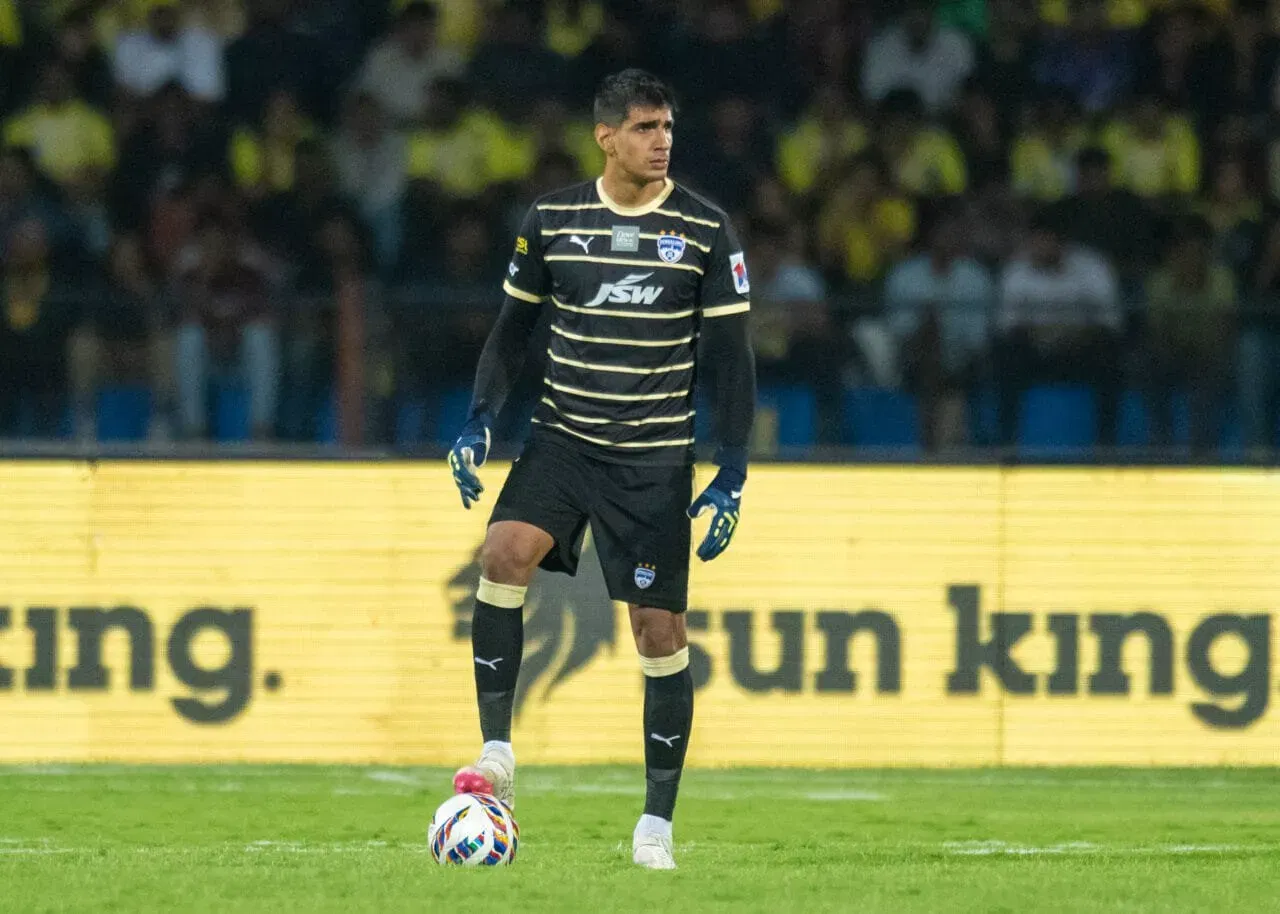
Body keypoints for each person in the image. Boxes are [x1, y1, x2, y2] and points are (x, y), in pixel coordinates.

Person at [447, 70, 755, 871]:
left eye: (668, 127)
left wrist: (732, 471)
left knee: (659, 632)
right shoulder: (553, 220)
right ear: (606, 137)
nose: (663, 141)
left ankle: (655, 825)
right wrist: (480, 419)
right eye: (647, 128)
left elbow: (732, 361)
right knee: (501, 553)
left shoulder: (705, 229)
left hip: (653, 459)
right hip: (563, 441)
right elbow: (511, 332)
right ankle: (497, 752)